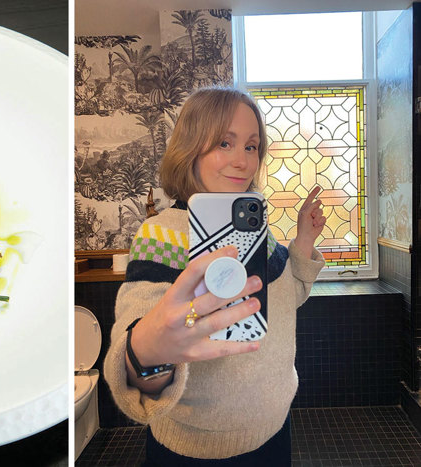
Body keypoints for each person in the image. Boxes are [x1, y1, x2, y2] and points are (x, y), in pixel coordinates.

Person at [103, 87, 327, 466]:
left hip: (274, 429)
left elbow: (285, 301)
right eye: (225, 143)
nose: (242, 161)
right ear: (191, 147)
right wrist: (147, 356)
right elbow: (136, 333)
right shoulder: (163, 233)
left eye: (252, 147)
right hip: (195, 450)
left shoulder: (256, 227)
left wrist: (303, 239)